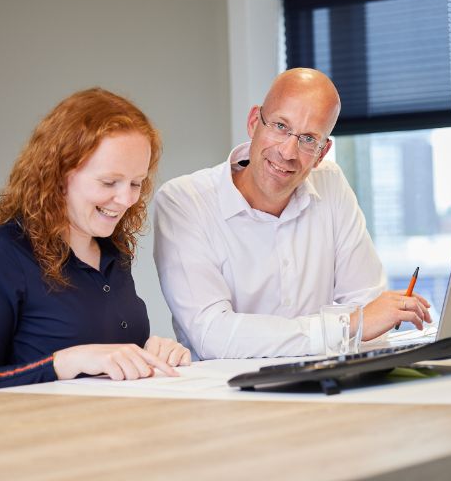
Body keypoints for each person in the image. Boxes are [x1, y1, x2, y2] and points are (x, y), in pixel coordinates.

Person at [153, 68, 431, 360]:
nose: (287, 152)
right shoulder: (184, 201)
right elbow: (213, 335)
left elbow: (369, 309)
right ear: (253, 122)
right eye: (280, 126)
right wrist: (346, 326)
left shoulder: (330, 183)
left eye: (309, 139)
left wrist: (359, 322)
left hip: (326, 380)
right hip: (228, 385)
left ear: (322, 153)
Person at [0, 88, 190, 394]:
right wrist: (64, 362)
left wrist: (151, 354)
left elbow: (105, 364)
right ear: (59, 175)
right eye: (109, 182)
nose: (126, 199)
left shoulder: (114, 252)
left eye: (136, 183)